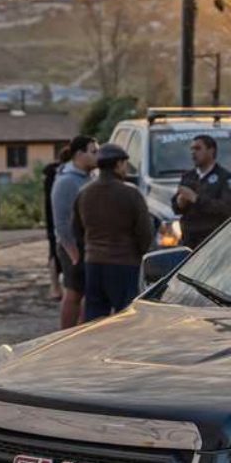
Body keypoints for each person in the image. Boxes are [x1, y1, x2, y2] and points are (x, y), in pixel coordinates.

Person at [71, 143, 153, 322]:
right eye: (125, 164)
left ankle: (94, 349)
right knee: (126, 318)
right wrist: (140, 253)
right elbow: (145, 234)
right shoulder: (131, 194)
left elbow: (76, 230)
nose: (126, 169)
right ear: (117, 165)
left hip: (94, 263)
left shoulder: (84, 193)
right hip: (124, 264)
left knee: (94, 317)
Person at [50, 135, 98, 329]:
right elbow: (61, 221)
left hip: (89, 243)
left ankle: (81, 332)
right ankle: (65, 335)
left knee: (89, 292)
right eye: (93, 152)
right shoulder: (66, 181)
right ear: (79, 154)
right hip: (74, 246)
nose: (98, 156)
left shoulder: (90, 177)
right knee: (74, 292)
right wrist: (72, 251)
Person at [172, 134, 231, 249]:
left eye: (197, 148)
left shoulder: (225, 178)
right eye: (191, 149)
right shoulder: (188, 176)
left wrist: (196, 199)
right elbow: (176, 208)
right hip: (188, 239)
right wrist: (179, 202)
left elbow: (226, 208)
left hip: (212, 240)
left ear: (211, 151)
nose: (193, 153)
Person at [42, 146, 67, 301]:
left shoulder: (50, 174)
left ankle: (55, 287)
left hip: (51, 216)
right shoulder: (63, 175)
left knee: (53, 252)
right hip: (61, 216)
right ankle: (60, 287)